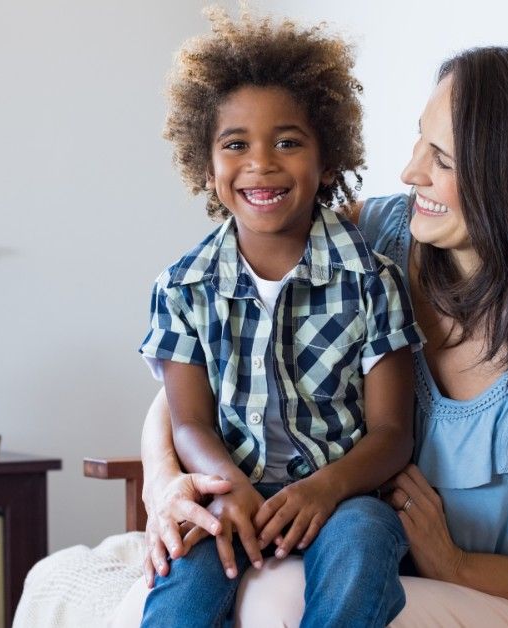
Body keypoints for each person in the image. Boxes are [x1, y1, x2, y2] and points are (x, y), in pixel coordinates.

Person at [124, 40, 508, 627]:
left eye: (443, 160)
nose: (409, 172)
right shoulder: (372, 240)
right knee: (190, 590)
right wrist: (165, 484)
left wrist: (461, 567)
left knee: (277, 599)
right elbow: (206, 377)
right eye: (419, 139)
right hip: (380, 578)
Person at [134, 8, 423, 627]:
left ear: (328, 158)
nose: (261, 164)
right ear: (206, 164)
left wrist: (326, 488)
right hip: (226, 493)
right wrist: (224, 481)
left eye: (288, 142)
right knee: (181, 582)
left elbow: (393, 432)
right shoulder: (182, 287)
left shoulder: (372, 282)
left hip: (343, 499)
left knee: (366, 540)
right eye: (235, 145)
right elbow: (188, 424)